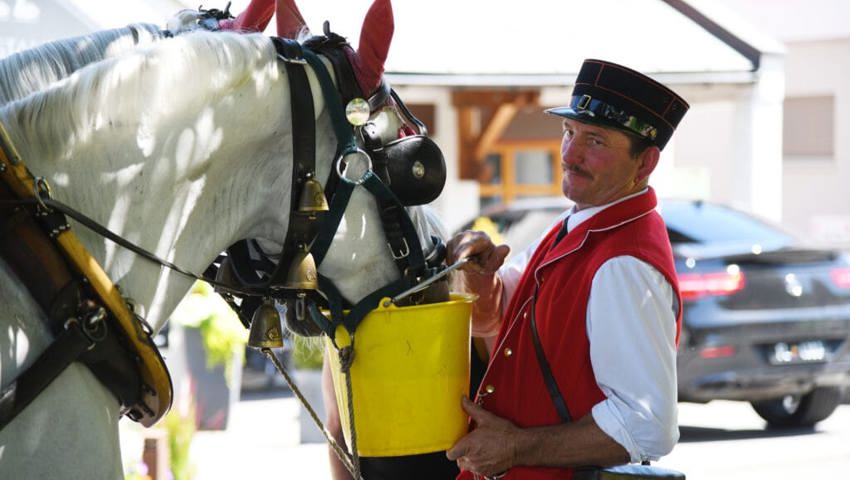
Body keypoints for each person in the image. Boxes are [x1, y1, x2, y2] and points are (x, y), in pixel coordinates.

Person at [445, 58, 689, 479]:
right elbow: (501, 312)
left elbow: (648, 426)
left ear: (645, 164)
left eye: (595, 141)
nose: (570, 155)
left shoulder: (624, 262)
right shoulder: (581, 222)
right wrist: (479, 277)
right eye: (569, 132)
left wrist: (515, 446)